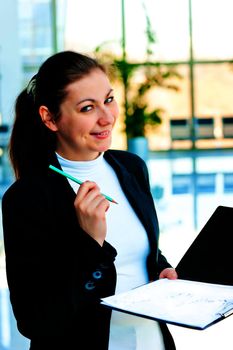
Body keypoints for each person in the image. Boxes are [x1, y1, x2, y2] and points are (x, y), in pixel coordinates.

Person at [2, 50, 178, 350]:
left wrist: (162, 270)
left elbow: (142, 252)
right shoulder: (27, 198)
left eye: (109, 100)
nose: (107, 117)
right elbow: (35, 321)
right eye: (87, 108)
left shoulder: (132, 168)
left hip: (151, 340)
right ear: (49, 118)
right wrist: (90, 243)